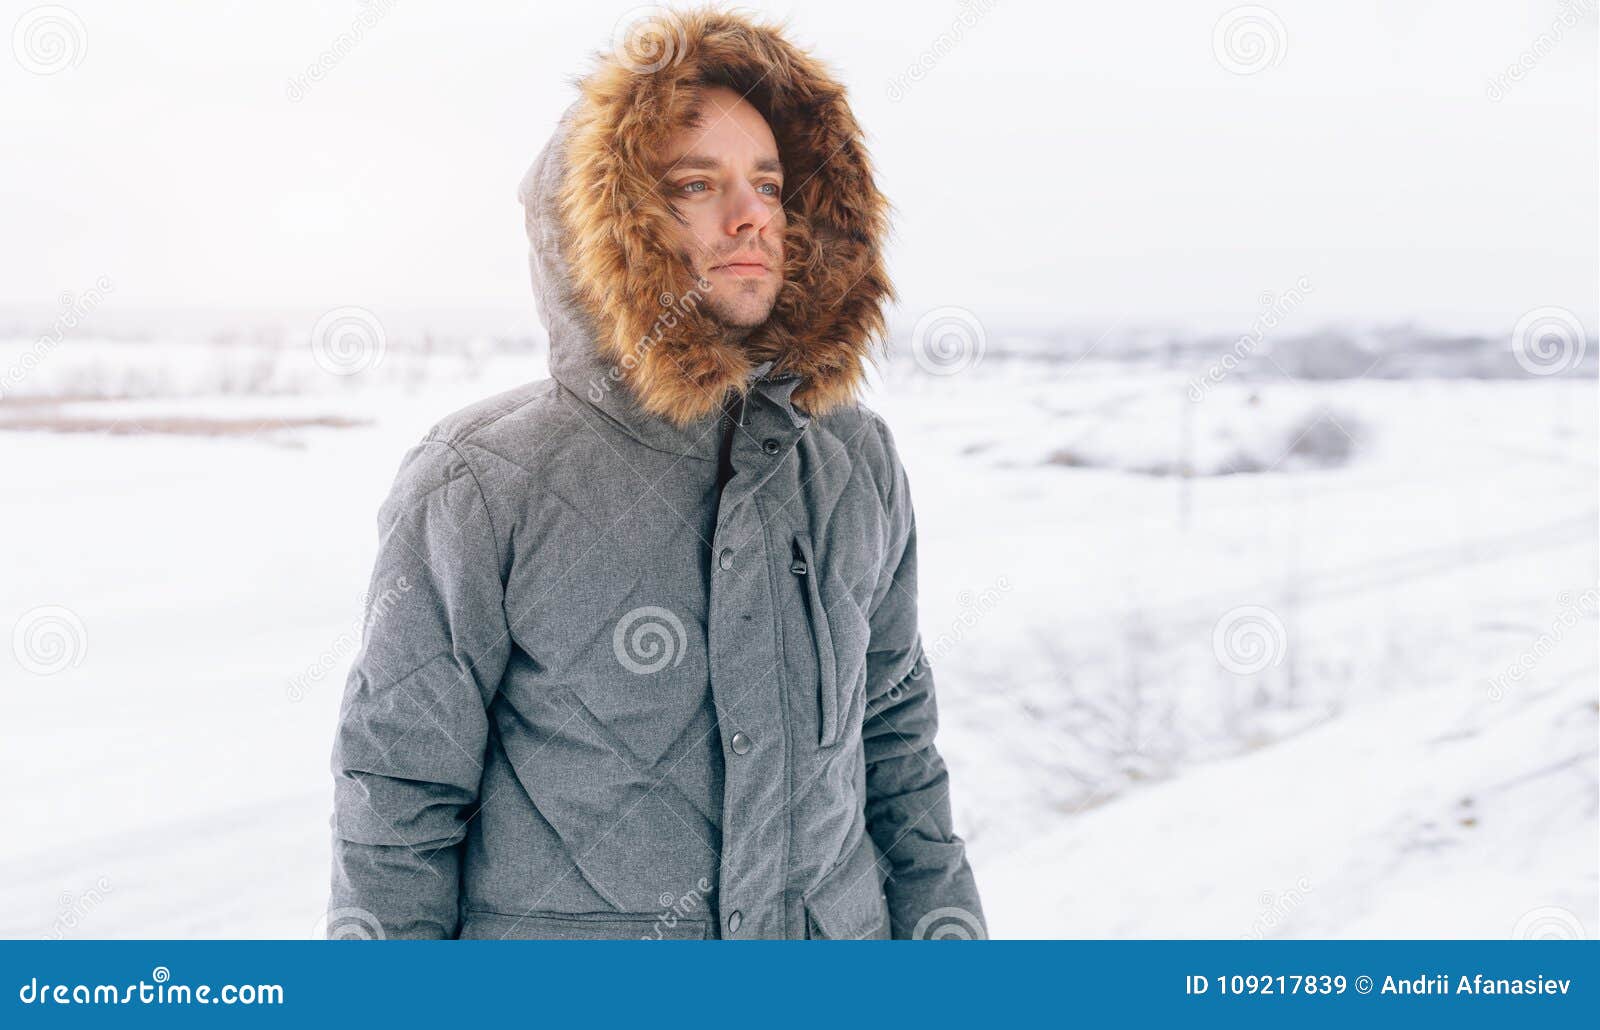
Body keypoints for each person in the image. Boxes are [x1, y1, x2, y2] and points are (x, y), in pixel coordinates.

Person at [327, 7, 984, 940]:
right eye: (695, 183)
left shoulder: (853, 458)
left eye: (769, 182)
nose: (752, 212)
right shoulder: (480, 479)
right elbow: (397, 803)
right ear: (609, 224)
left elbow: (897, 742)